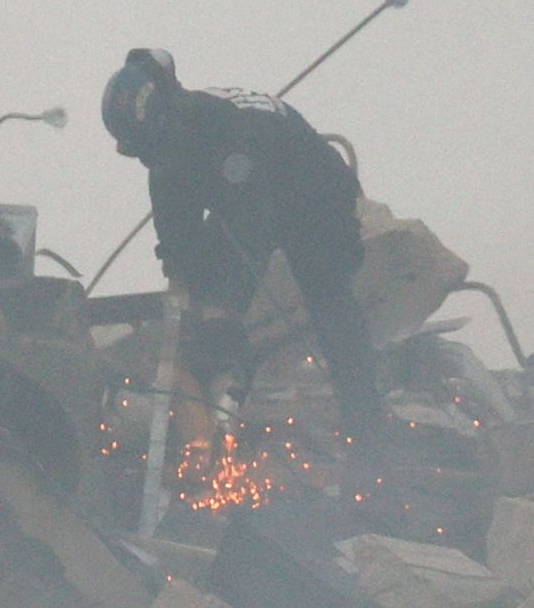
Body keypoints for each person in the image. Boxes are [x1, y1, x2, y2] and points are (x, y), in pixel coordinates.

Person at [101, 48, 381, 481]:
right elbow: (178, 239)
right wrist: (185, 293)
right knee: (207, 308)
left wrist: (223, 311)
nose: (147, 159)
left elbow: (250, 227)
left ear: (166, 119)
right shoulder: (167, 157)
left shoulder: (230, 131)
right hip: (250, 199)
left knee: (329, 304)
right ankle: (214, 402)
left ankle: (368, 435)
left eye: (149, 147)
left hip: (315, 198)